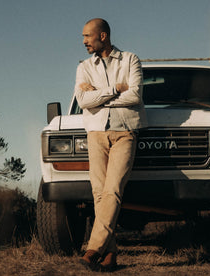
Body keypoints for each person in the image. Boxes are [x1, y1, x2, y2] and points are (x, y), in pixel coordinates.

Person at [74, 18, 147, 272]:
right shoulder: (84, 67)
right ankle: (110, 255)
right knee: (99, 193)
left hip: (125, 132)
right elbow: (83, 100)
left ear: (102, 36)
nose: (83, 41)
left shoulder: (130, 60)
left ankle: (93, 249)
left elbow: (136, 95)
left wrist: (100, 97)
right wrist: (115, 89)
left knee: (113, 189)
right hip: (95, 134)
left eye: (87, 36)